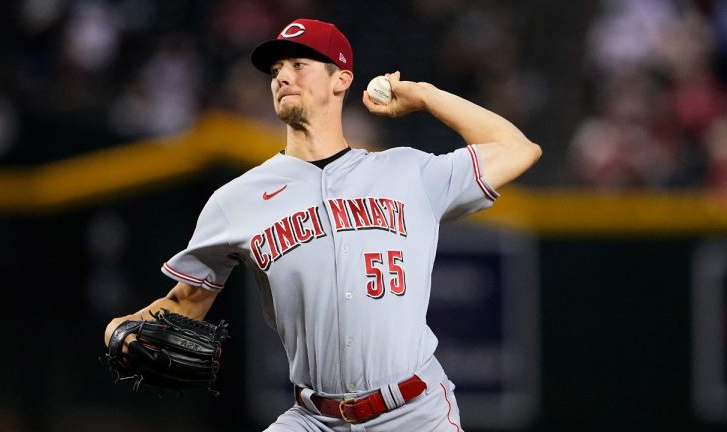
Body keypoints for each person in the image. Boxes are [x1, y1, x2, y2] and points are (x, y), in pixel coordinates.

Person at [104, 18, 541, 431]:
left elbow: (518, 148)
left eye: (299, 64)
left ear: (341, 79)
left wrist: (425, 95)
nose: (282, 77)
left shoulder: (410, 173)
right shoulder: (236, 200)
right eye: (276, 69)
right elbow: (185, 303)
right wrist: (114, 329)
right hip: (314, 417)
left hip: (415, 412)